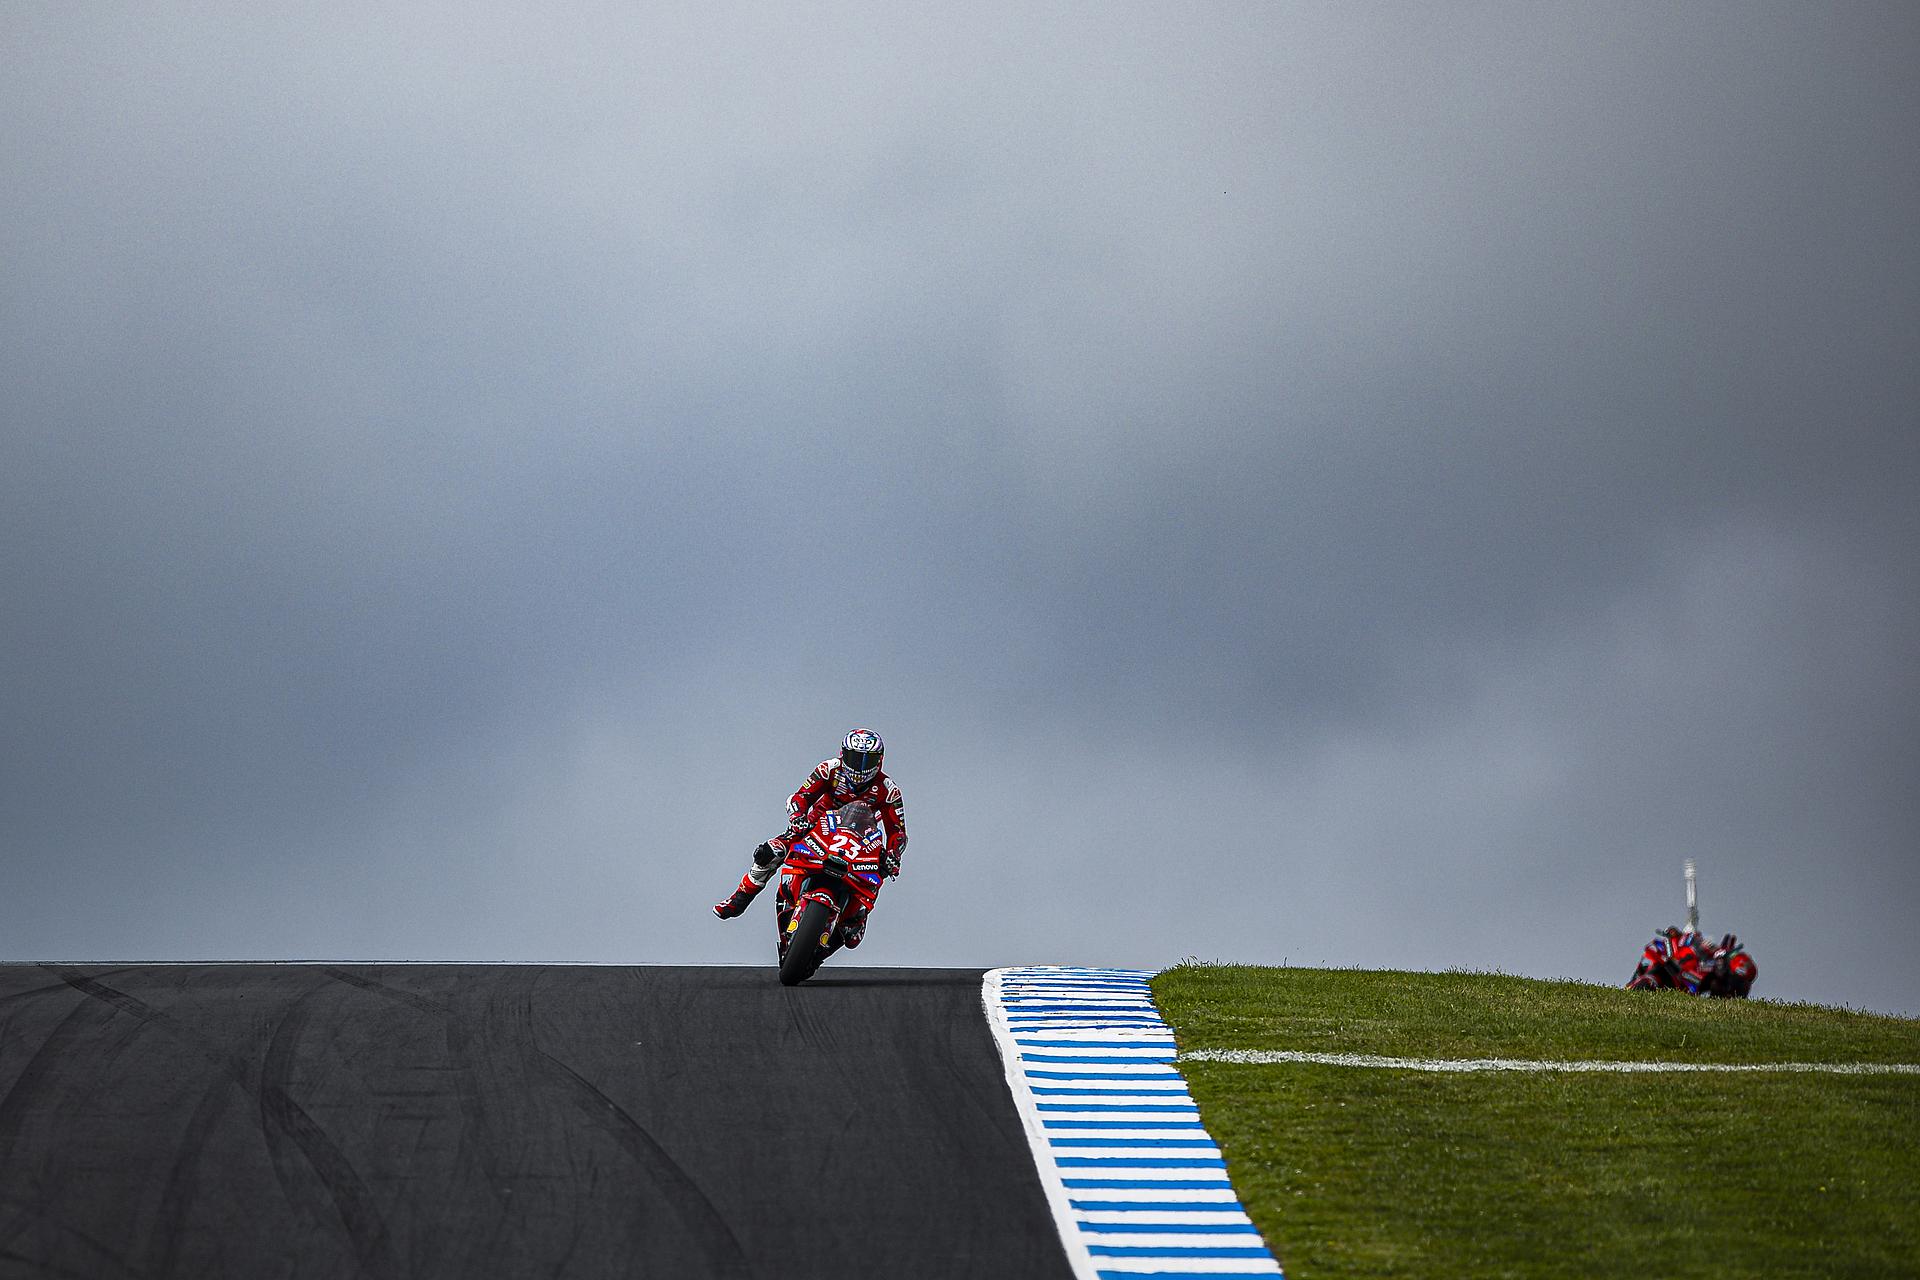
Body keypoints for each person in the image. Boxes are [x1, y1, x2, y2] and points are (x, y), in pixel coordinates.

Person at [712, 728, 906, 947]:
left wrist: (893, 855)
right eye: (854, 758)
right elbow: (801, 797)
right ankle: (739, 899)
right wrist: (797, 817)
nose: (859, 766)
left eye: (866, 760)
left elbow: (898, 832)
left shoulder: (889, 790)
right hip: (816, 827)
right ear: (843, 754)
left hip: (859, 840)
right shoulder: (829, 769)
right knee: (769, 852)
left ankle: (857, 917)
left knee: (879, 870)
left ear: (879, 760)